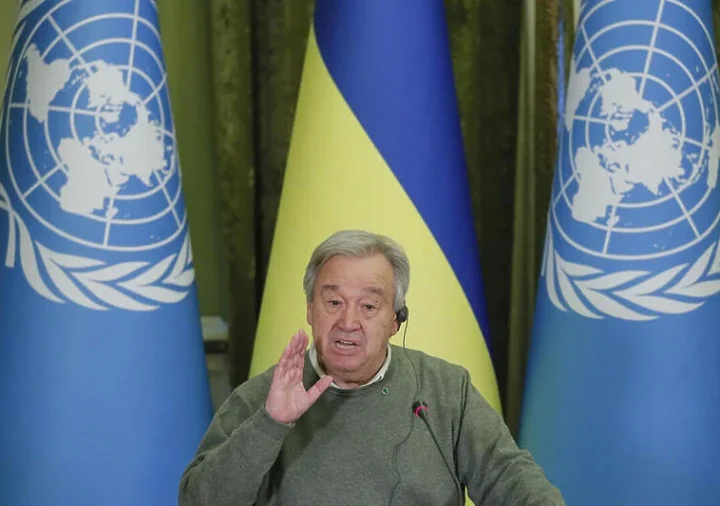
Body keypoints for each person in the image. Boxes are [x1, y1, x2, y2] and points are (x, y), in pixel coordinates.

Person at [178, 229, 565, 506]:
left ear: (395, 320)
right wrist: (270, 424)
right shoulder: (263, 399)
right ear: (310, 310)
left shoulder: (446, 390)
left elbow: (508, 477)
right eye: (333, 303)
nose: (348, 322)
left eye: (368, 306)